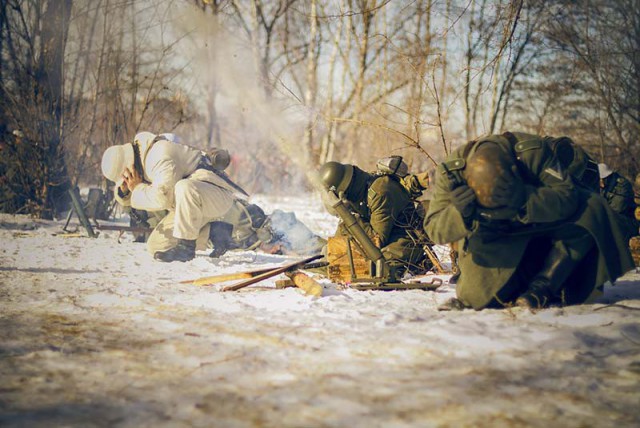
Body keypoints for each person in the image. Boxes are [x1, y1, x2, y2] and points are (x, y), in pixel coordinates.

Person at [424, 131, 634, 310]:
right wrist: (459, 213)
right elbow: (435, 229)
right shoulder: (451, 172)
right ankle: (515, 282)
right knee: (477, 298)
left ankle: (544, 285)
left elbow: (568, 196)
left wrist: (524, 197)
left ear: (515, 170)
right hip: (492, 240)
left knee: (591, 205)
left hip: (538, 229)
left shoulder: (533, 154)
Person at [101, 131, 325, 262]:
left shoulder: (158, 156)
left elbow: (160, 197)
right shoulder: (141, 165)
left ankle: (317, 247)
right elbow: (133, 196)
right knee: (156, 246)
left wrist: (138, 188)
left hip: (211, 195)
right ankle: (221, 234)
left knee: (262, 222)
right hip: (191, 209)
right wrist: (126, 191)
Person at [318, 159, 431, 274]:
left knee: (370, 268)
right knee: (334, 259)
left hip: (404, 240)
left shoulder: (380, 192)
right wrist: (333, 252)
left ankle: (417, 262)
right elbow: (346, 233)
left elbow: (376, 241)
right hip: (387, 236)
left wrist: (348, 214)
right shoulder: (360, 187)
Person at [598, 163, 639, 239]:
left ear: (606, 177)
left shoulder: (622, 186)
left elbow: (616, 210)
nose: (600, 182)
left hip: (628, 222)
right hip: (615, 221)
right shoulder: (604, 186)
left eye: (601, 179)